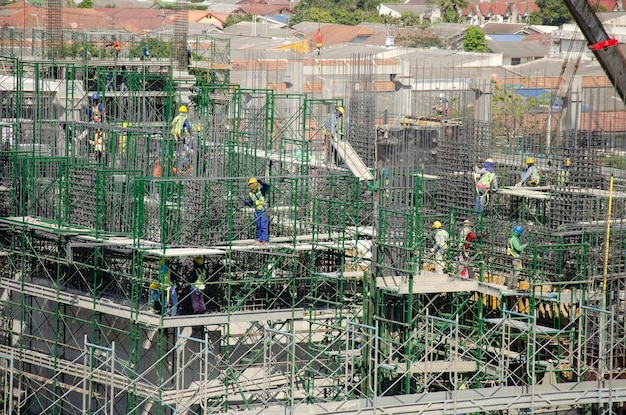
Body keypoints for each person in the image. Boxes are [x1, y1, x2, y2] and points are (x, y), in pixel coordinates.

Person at [245, 177, 270, 245]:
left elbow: (267, 187)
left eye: (251, 184)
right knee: (258, 225)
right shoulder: (251, 193)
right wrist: (245, 203)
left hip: (263, 210)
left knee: (264, 225)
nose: (251, 186)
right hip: (257, 211)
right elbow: (250, 203)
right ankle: (259, 239)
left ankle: (264, 240)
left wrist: (261, 182)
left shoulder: (261, 190)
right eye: (250, 184)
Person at [506, 225, 527, 290]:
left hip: (513, 257)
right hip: (515, 257)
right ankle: (514, 286)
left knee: (512, 272)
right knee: (516, 272)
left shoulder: (511, 237)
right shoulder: (514, 239)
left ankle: (509, 285)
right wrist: (525, 245)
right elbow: (518, 248)